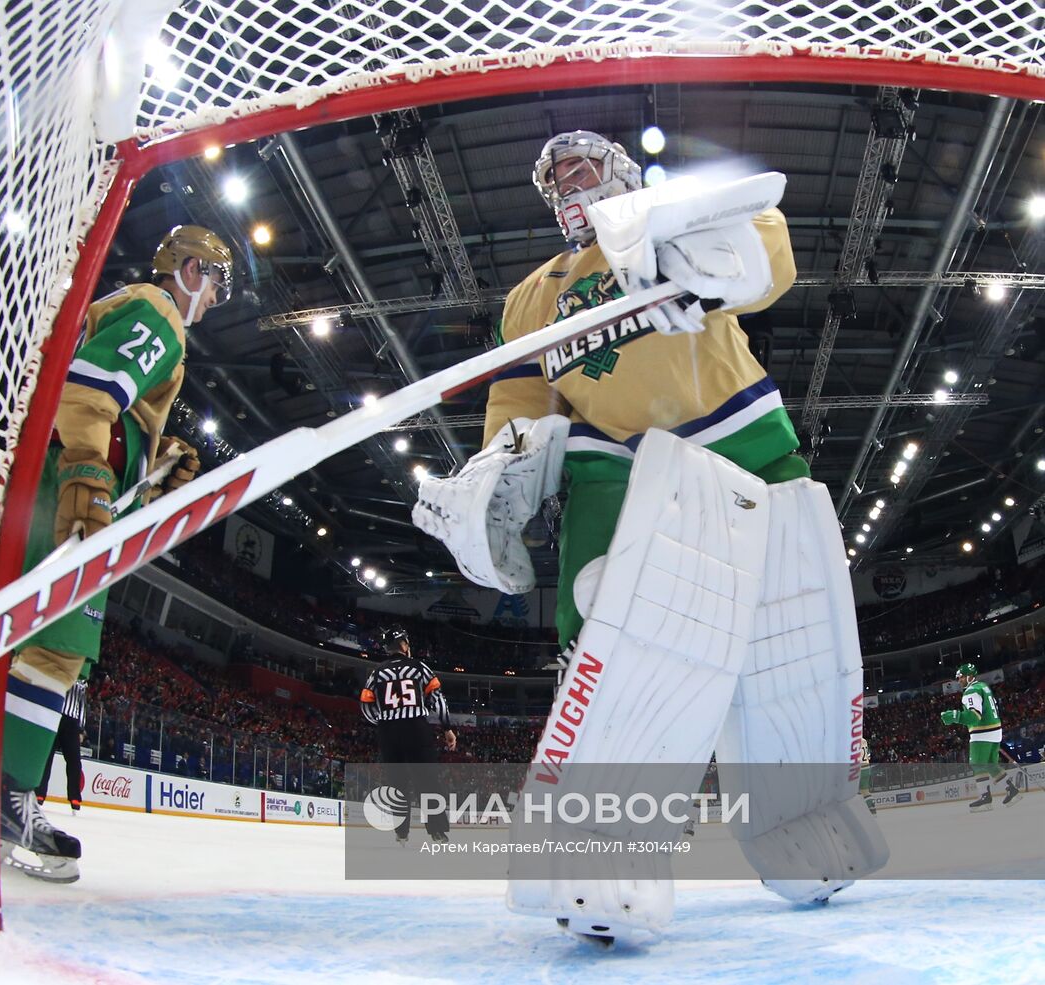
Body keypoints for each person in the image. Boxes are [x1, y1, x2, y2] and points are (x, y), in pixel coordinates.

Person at [414, 130, 885, 943]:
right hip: (616, 464)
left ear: (621, 170)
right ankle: (600, 847)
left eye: (583, 166)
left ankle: (805, 821)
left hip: (740, 435)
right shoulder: (532, 299)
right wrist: (499, 474)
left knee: (793, 633)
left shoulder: (668, 215)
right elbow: (521, 400)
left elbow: (770, 253)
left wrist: (704, 264)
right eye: (555, 174)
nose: (568, 182)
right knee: (612, 636)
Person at [0, 225, 232, 881]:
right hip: (63, 488)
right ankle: (2, 798)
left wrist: (153, 461)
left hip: (54, 478)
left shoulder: (147, 317)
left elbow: (108, 403)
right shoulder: (161, 312)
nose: (214, 300)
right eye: (215, 284)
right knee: (53, 649)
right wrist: (88, 477)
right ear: (190, 271)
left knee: (36, 647)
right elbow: (92, 394)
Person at [359, 626, 456, 844]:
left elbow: (366, 705)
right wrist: (447, 727)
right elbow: (437, 699)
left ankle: (401, 832)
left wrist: (382, 721)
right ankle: (437, 831)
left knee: (396, 782)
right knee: (428, 779)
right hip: (416, 728)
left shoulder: (377, 673)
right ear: (404, 645)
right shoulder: (419, 667)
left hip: (389, 732)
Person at [941, 663, 1020, 811]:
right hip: (995, 730)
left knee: (977, 764)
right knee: (990, 764)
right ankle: (1012, 790)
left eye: (961, 678)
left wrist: (953, 716)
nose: (959, 681)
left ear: (970, 676)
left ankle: (985, 798)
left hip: (982, 732)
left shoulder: (971, 691)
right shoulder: (983, 686)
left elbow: (974, 716)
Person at [36, 678, 88, 811]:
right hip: (55, 714)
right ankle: (40, 793)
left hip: (71, 722)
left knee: (74, 760)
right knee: (47, 757)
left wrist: (81, 728)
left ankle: (74, 796)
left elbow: (82, 704)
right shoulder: (62, 670)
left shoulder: (83, 681)